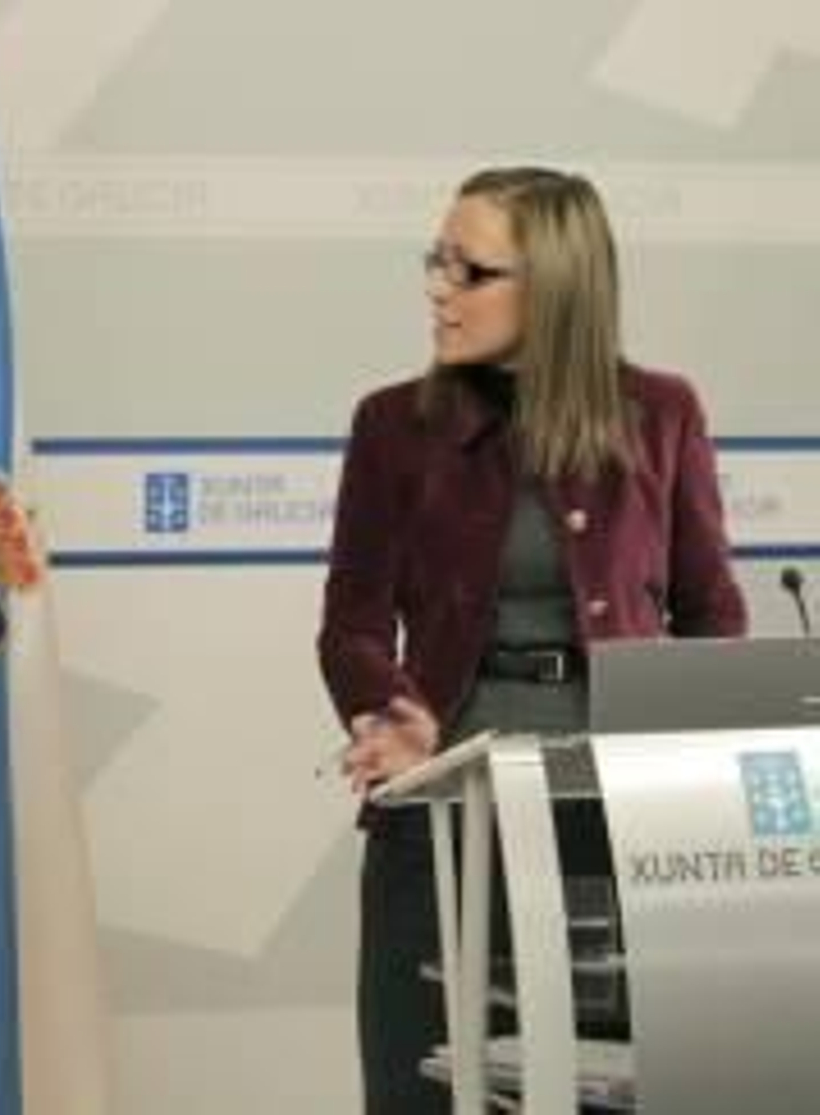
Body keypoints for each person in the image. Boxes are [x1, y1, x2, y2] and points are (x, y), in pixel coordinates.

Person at [317, 166, 747, 1114]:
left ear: (553, 285)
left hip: (625, 821)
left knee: (605, 1085)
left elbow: (712, 612)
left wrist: (710, 777)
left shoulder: (663, 412)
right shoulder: (393, 424)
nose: (439, 286)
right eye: (436, 260)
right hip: (444, 809)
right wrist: (393, 714)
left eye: (469, 270)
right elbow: (351, 621)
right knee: (424, 1078)